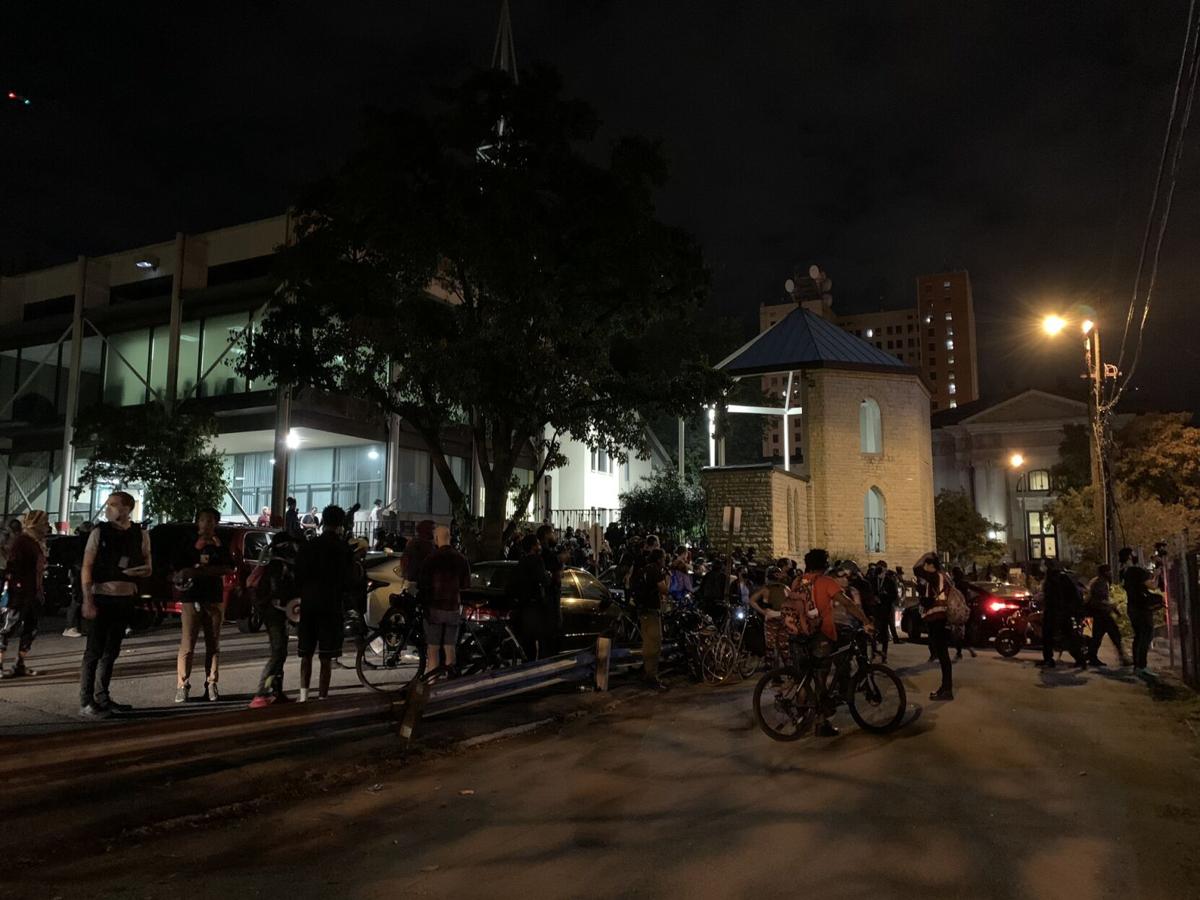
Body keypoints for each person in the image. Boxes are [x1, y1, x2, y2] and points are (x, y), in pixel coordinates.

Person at [784, 549, 874, 736]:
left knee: (803, 679)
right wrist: (866, 621)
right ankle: (821, 723)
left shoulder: (797, 581)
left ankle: (801, 719)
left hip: (798, 635)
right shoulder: (826, 582)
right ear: (824, 565)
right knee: (820, 679)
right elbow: (848, 604)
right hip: (820, 635)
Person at [79, 491, 152, 718]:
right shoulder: (99, 532)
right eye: (108, 504)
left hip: (125, 597)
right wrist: (87, 599)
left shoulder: (140, 534)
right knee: (94, 651)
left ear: (128, 508)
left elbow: (148, 565)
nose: (109, 509)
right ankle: (86, 701)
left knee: (111, 650)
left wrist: (141, 572)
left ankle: (103, 697)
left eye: (114, 504)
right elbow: (87, 566)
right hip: (102, 596)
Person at [294, 505, 356, 701]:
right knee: (326, 656)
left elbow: (298, 574)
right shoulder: (343, 549)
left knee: (306, 653)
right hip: (331, 605)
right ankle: (322, 697)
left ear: (323, 521)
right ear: (340, 524)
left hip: (309, 603)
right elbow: (349, 580)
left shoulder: (309, 546)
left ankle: (303, 695)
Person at [173, 508, 234, 703]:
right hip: (191, 598)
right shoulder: (188, 542)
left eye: (210, 520)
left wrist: (200, 570)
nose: (206, 524)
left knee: (213, 644)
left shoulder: (220, 544)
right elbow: (180, 567)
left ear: (216, 523)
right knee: (187, 644)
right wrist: (197, 553)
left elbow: (228, 567)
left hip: (214, 598)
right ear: (197, 522)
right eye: (203, 520)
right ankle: (182, 685)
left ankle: (212, 683)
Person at [249, 530, 300, 707]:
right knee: (278, 652)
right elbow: (278, 592)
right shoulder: (277, 566)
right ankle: (261, 693)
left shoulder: (281, 564)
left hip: (278, 613)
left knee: (281, 652)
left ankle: (277, 692)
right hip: (275, 614)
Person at [0, 509, 49, 678]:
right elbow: (13, 567)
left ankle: (19, 664)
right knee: (8, 628)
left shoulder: (36, 542)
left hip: (33, 593)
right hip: (20, 594)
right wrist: (17, 588)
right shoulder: (23, 542)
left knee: (31, 628)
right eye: (44, 523)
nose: (47, 527)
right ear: (36, 524)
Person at [421, 524, 471, 676]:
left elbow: (423, 584)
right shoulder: (461, 559)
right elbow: (466, 586)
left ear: (436, 539)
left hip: (434, 608)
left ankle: (433, 680)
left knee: (433, 649)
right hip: (453, 607)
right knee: (450, 647)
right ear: (449, 538)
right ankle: (450, 679)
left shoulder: (431, 558)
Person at [914, 553, 953, 701]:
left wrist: (925, 556)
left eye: (927, 565)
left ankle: (947, 689)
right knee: (943, 654)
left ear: (931, 566)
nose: (924, 568)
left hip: (937, 617)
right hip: (940, 617)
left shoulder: (935, 576)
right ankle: (945, 688)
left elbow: (916, 568)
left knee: (943, 654)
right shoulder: (943, 576)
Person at [632, 547, 670, 691]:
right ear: (659, 559)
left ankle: (648, 673)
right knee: (654, 645)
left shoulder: (644, 569)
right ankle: (651, 677)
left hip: (643, 611)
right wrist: (667, 578)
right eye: (664, 558)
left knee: (648, 643)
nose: (665, 560)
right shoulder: (656, 571)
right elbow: (664, 589)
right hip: (651, 612)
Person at [508, 534, 549, 659]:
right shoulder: (537, 560)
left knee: (527, 642)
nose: (540, 546)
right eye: (538, 544)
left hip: (523, 605)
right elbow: (543, 579)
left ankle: (528, 663)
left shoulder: (521, 562)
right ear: (533, 546)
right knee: (540, 640)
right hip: (534, 605)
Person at [1038, 559, 1084, 668]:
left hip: (1055, 611)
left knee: (1048, 636)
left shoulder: (1053, 578)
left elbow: (1053, 596)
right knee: (1068, 635)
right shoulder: (1061, 577)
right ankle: (1080, 659)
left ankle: (1049, 660)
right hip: (1062, 611)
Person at [1121, 550, 1160, 675]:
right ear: (1129, 557)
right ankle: (1142, 666)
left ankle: (1137, 665)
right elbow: (1152, 586)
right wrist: (1157, 575)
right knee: (1146, 635)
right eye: (1133, 553)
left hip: (1132, 607)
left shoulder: (1124, 572)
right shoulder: (1136, 571)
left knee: (1138, 636)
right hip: (1141, 608)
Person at [1085, 564, 1130, 667]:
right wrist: (1113, 607)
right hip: (1100, 614)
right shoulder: (1100, 583)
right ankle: (1122, 658)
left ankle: (1091, 656)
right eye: (1109, 571)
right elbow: (1100, 600)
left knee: (1096, 637)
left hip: (1096, 613)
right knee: (1114, 635)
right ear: (1105, 572)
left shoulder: (1097, 581)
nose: (1111, 573)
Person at [749, 565, 791, 665]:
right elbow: (791, 602)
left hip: (770, 618)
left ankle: (770, 666)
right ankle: (787, 665)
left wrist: (762, 611)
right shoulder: (786, 588)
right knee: (784, 644)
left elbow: (752, 600)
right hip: (783, 618)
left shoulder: (766, 589)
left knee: (770, 645)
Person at [62, 521, 93, 638]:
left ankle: (75, 626)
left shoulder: (76, 541)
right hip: (79, 572)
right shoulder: (85, 542)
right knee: (78, 599)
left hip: (76, 572)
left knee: (77, 599)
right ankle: (72, 626)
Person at [537, 524, 564, 656]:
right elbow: (557, 576)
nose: (554, 536)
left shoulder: (542, 554)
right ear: (546, 535)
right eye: (552, 533)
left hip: (546, 603)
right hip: (549, 602)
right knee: (551, 640)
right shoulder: (548, 555)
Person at [871, 559, 902, 657]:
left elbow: (894, 595)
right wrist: (874, 597)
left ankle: (884, 653)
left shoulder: (889, 581)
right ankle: (873, 651)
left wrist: (885, 595)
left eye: (882, 569)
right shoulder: (873, 580)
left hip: (886, 609)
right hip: (875, 610)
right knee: (873, 632)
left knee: (885, 632)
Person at [950, 566, 978, 661]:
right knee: (966, 629)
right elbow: (974, 590)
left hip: (956, 609)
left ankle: (959, 652)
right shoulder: (964, 584)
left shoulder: (953, 584)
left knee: (958, 632)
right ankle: (968, 647)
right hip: (966, 609)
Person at [401, 520, 436, 595]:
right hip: (420, 584)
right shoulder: (423, 545)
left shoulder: (413, 543)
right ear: (427, 530)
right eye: (433, 529)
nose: (434, 532)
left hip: (416, 583)